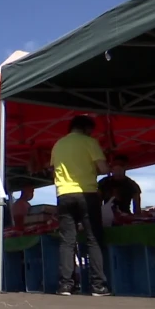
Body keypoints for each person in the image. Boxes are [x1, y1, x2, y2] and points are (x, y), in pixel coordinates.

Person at [51, 115, 110, 297]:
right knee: (93, 238)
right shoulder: (89, 142)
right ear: (86, 129)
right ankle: (98, 286)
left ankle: (65, 286)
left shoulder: (58, 144)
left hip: (64, 194)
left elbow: (52, 169)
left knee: (67, 240)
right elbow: (104, 169)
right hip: (87, 193)